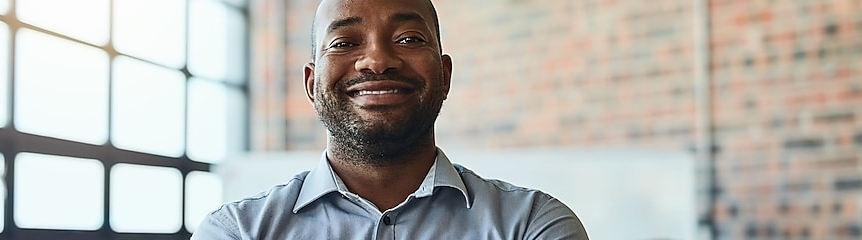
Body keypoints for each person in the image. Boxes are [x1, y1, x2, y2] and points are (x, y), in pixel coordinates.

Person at [191, 0, 588, 239]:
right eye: (345, 43)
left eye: (410, 39)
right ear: (312, 84)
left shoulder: (533, 226)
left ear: (445, 75)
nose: (378, 61)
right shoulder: (237, 232)